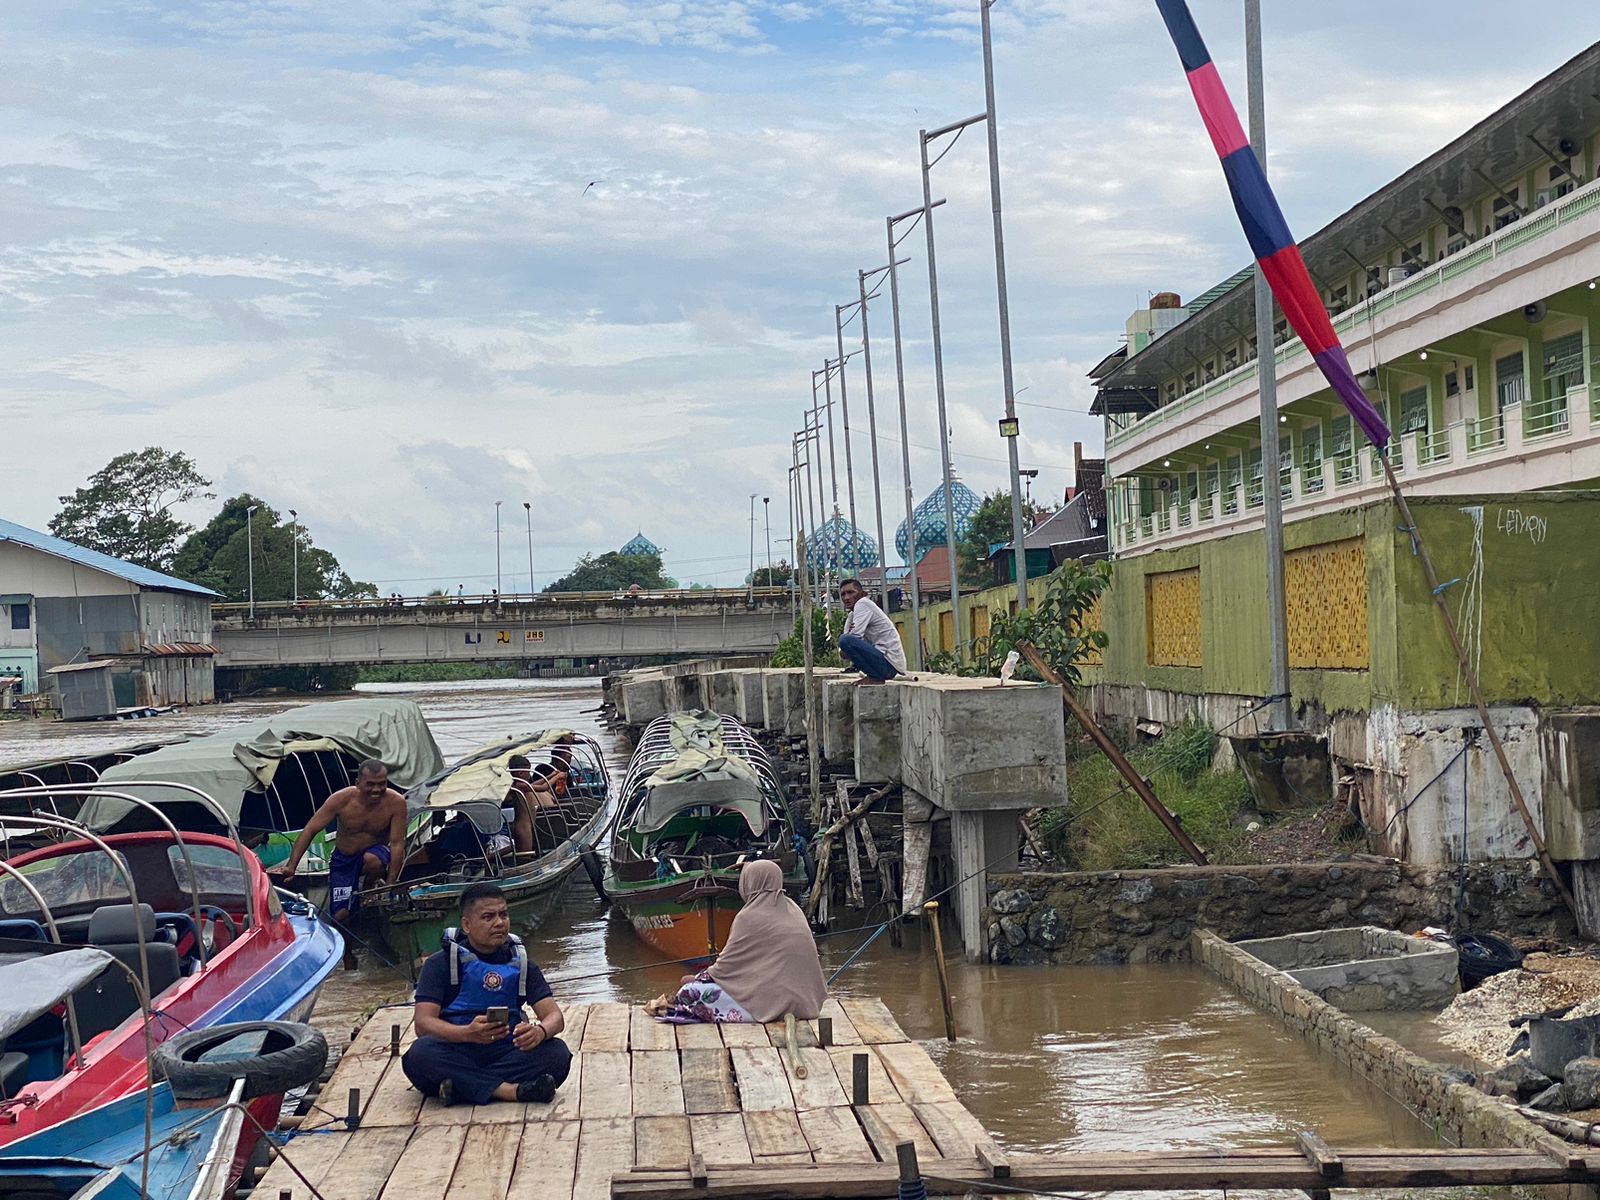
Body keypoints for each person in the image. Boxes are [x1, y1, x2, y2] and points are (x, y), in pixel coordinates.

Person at [401, 883, 571, 1106]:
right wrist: (468, 1033)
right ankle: (511, 1091)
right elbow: (423, 1024)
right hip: (457, 1048)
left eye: (504, 914)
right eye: (488, 917)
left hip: (505, 1050)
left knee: (557, 1054)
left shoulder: (522, 963)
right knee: (421, 1054)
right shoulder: (440, 964)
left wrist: (540, 1032)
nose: (499, 923)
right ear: (467, 924)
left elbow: (555, 1017)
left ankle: (462, 1087)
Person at [652, 860, 826, 1024]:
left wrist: (697, 979)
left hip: (771, 1004)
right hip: (807, 1005)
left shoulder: (748, 916)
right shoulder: (794, 909)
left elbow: (725, 967)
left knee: (689, 992)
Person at [270, 759, 407, 922]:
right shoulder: (341, 800)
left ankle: (371, 886)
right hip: (344, 859)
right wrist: (291, 866)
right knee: (340, 915)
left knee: (372, 860)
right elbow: (310, 830)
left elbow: (398, 843)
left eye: (381, 784)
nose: (376, 790)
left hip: (375, 853)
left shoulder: (396, 802)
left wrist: (391, 883)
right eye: (370, 784)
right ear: (358, 783)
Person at [838, 577, 908, 684]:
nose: (847, 597)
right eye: (843, 594)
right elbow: (843, 652)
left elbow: (852, 638)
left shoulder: (863, 604)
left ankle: (874, 677)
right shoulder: (852, 615)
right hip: (881, 663)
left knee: (845, 640)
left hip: (889, 665)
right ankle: (873, 676)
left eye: (851, 592)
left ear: (861, 594)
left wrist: (848, 647)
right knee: (845, 641)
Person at [504, 754, 556, 853]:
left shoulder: (523, 786)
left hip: (526, 825)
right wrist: (557, 777)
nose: (529, 774)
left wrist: (550, 776)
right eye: (528, 771)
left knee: (519, 848)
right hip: (523, 826)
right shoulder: (519, 785)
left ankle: (491, 858)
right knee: (525, 855)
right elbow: (543, 788)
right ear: (520, 773)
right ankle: (491, 860)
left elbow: (534, 785)